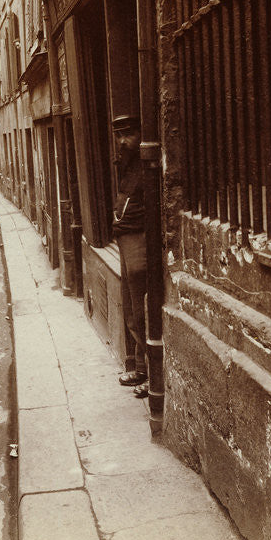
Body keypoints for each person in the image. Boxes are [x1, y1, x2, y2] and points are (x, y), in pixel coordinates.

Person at [111, 114, 148, 397]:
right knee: (131, 307)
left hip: (137, 238)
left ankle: (149, 372)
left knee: (141, 307)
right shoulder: (126, 161)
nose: (123, 140)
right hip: (125, 237)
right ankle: (139, 366)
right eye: (119, 135)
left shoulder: (145, 163)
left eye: (128, 134)